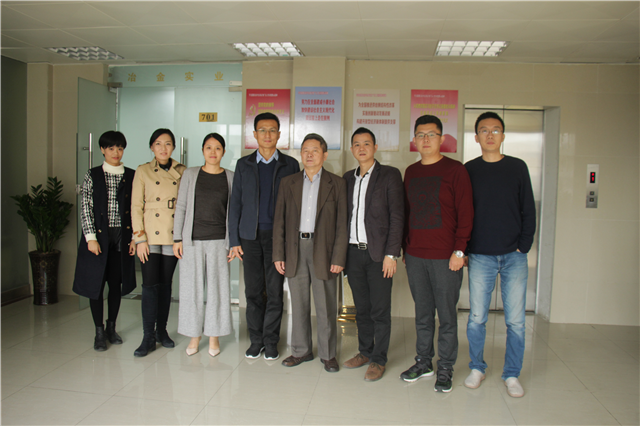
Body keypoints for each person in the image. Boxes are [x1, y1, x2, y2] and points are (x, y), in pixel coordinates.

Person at [463, 112, 536, 398]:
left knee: (516, 321)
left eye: (496, 130)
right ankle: (477, 367)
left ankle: (512, 374)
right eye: (484, 130)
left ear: (503, 136)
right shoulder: (469, 170)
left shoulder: (517, 167)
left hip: (513, 255)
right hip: (480, 255)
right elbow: (463, 212)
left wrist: (523, 245)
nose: (490, 134)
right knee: (476, 318)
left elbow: (528, 208)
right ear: (476, 137)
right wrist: (465, 248)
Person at [401, 115, 474, 392]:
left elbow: (466, 213)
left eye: (431, 134)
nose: (426, 139)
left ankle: (445, 366)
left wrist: (460, 250)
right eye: (421, 135)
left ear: (442, 139)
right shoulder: (411, 171)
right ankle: (423, 362)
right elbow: (407, 213)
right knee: (422, 313)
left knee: (446, 315)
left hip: (447, 257)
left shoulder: (456, 170)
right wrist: (406, 248)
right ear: (414, 140)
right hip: (416, 255)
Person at [272, 133, 348, 373]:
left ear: (324, 155)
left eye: (315, 150)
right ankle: (301, 351)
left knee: (325, 305)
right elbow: (279, 221)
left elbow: (342, 225)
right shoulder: (288, 182)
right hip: (295, 249)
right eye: (305, 150)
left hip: (324, 250)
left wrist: (338, 257)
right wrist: (278, 254)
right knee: (299, 304)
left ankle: (328, 354)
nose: (309, 154)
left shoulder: (337, 184)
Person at [228, 112, 300, 360]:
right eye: (262, 130)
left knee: (275, 291)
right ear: (254, 134)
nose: (267, 134)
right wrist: (234, 240)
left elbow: (295, 206)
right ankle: (256, 340)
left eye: (272, 130)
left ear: (279, 134)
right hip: (249, 237)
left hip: (277, 238)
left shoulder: (290, 165)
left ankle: (271, 341)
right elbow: (235, 204)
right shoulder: (243, 165)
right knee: (253, 291)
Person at [342, 127, 404, 381]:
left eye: (366, 143)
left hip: (379, 255)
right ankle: (365, 352)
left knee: (380, 310)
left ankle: (379, 359)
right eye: (357, 144)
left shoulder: (389, 175)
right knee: (362, 309)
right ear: (352, 149)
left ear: (375, 147)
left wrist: (392, 254)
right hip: (353, 254)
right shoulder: (347, 178)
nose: (362, 148)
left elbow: (397, 216)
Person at [73, 131, 136, 351]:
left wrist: (135, 238)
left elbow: (137, 208)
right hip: (98, 237)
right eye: (111, 148)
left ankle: (111, 328)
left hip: (121, 236)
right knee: (96, 285)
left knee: (115, 284)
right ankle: (98, 332)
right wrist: (90, 238)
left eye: (120, 148)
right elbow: (86, 208)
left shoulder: (131, 175)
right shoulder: (92, 175)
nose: (116, 152)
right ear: (102, 149)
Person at [173, 133, 234, 357]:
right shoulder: (190, 174)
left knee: (218, 291)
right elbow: (181, 206)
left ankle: (214, 336)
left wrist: (233, 243)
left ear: (223, 152)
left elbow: (235, 212)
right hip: (192, 241)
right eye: (208, 147)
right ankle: (194, 336)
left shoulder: (230, 177)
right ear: (202, 150)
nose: (213, 152)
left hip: (219, 242)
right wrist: (177, 238)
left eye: (217, 148)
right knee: (191, 291)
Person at [131, 128, 186, 357]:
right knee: (149, 285)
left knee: (165, 285)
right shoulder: (142, 170)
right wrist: (139, 238)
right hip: (149, 236)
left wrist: (181, 237)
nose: (163, 148)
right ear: (152, 147)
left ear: (173, 147)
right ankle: (147, 336)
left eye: (168, 143)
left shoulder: (182, 171)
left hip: (173, 236)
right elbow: (135, 206)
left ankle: (161, 331)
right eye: (158, 144)